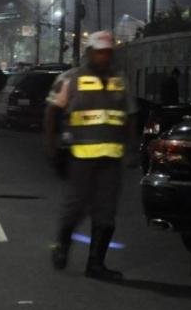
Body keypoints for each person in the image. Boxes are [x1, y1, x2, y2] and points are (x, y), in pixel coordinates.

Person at [43, 30, 135, 281]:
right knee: (76, 206)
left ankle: (96, 264)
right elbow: (52, 112)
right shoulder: (70, 78)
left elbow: (129, 116)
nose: (104, 57)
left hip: (111, 157)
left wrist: (132, 149)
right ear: (89, 52)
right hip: (80, 156)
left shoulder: (120, 80)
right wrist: (51, 148)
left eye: (108, 52)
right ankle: (62, 245)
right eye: (99, 52)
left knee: (106, 212)